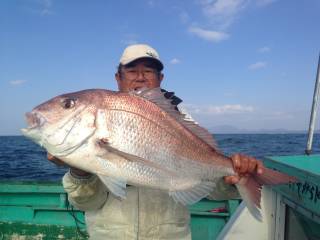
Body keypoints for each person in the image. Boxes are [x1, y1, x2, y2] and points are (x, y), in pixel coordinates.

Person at [48, 44, 264, 240]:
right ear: (118, 78)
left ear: (160, 79)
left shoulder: (181, 121)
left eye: (148, 71)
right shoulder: (94, 129)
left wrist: (232, 178)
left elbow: (213, 191)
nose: (140, 77)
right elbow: (87, 203)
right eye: (132, 70)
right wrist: (79, 171)